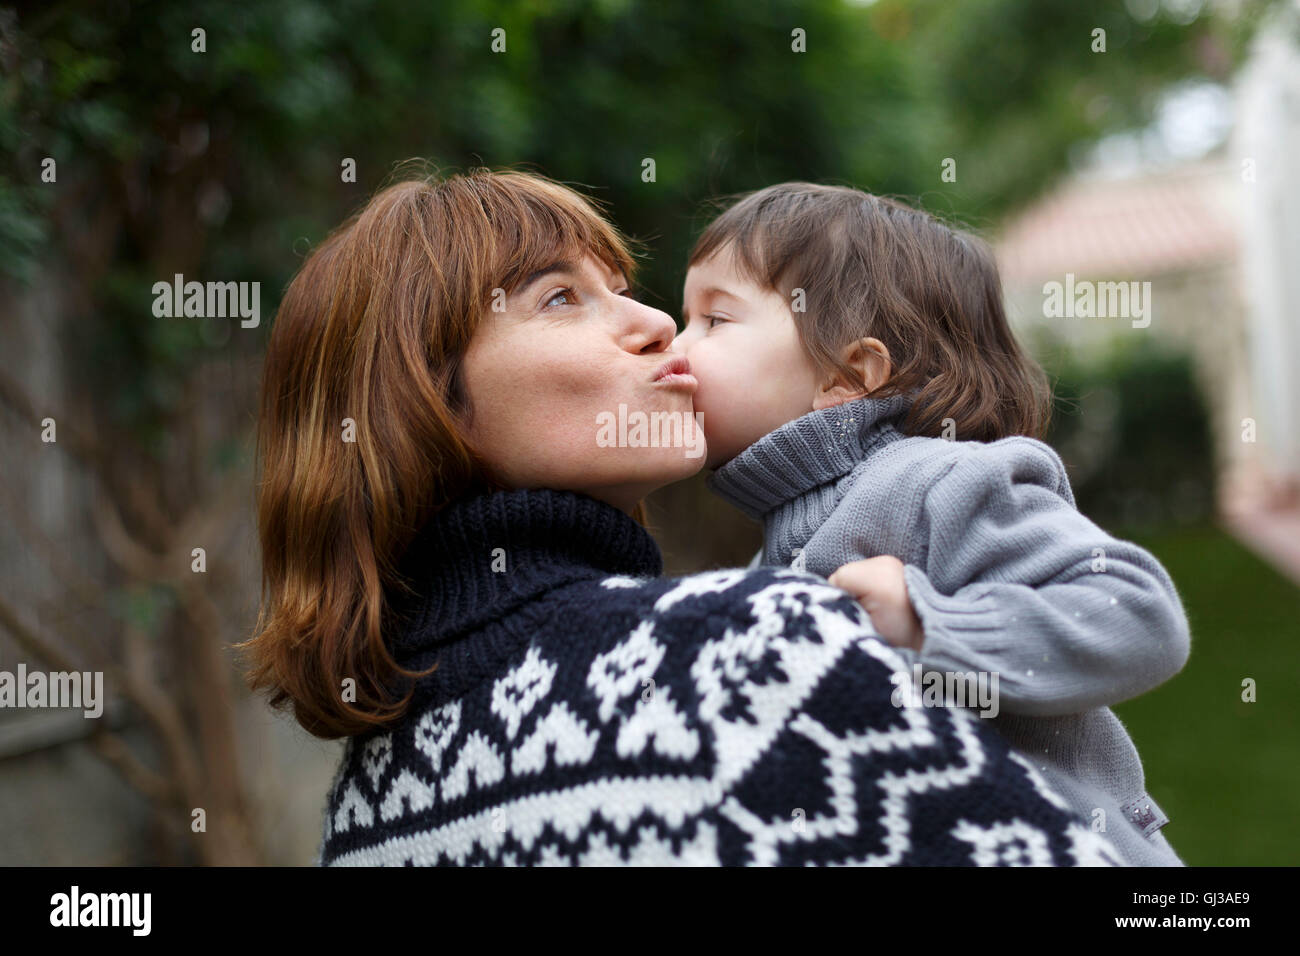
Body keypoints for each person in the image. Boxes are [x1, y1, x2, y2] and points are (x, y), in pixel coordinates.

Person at [239, 167, 1123, 866]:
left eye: (621, 286)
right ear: (423, 396)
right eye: (559, 297)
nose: (658, 323)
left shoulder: (359, 814)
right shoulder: (755, 654)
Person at [674, 181, 1191, 866]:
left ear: (848, 373)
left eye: (714, 320)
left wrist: (930, 625)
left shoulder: (937, 481)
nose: (674, 348)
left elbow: (1138, 612)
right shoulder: (772, 553)